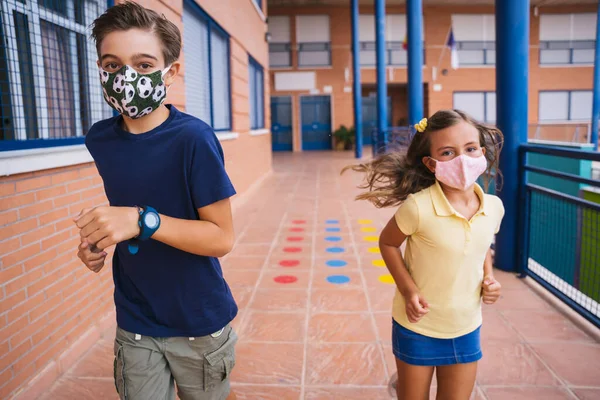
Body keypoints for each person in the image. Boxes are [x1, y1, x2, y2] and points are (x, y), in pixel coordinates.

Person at [73, 2, 238, 399]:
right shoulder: (101, 139)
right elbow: (125, 209)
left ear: (171, 71)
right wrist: (95, 242)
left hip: (197, 317)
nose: (125, 76)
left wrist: (143, 220)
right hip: (136, 312)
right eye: (112, 65)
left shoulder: (193, 139)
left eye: (143, 65)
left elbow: (221, 238)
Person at [346, 110, 505, 400]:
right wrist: (408, 291)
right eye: (448, 152)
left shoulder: (494, 207)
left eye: (470, 149)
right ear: (431, 164)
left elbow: (481, 245)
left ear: (482, 152)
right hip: (417, 326)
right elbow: (387, 243)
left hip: (466, 325)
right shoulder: (417, 208)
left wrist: (489, 278)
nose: (462, 160)